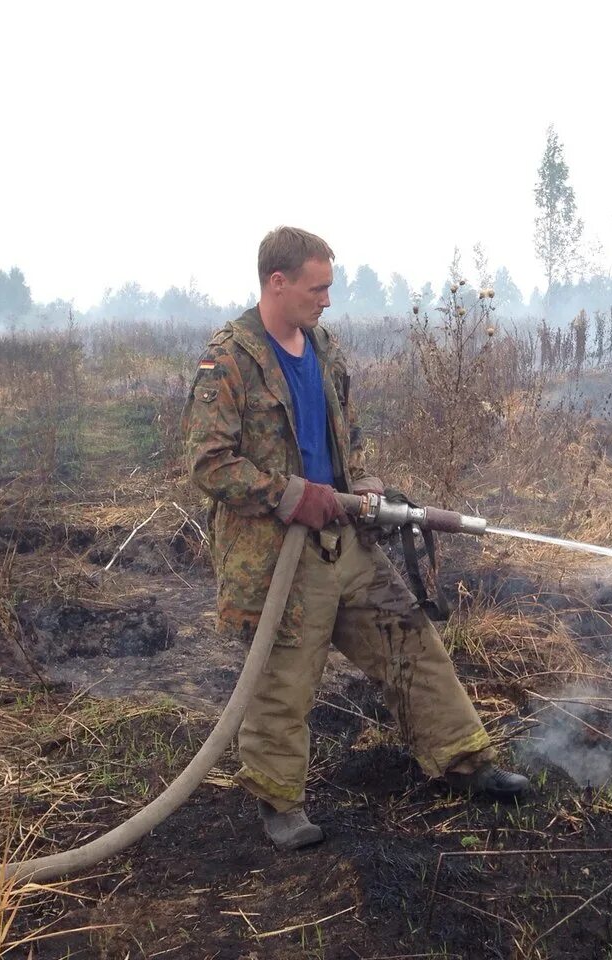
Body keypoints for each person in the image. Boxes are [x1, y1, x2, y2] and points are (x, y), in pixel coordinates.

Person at [182, 226, 528, 851]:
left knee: (411, 641)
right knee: (283, 682)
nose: (328, 301)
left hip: (346, 543)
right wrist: (292, 494)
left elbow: (349, 439)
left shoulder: (323, 348)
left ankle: (464, 761)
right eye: (318, 288)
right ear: (277, 282)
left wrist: (367, 491)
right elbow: (209, 464)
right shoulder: (228, 359)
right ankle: (279, 802)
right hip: (277, 559)